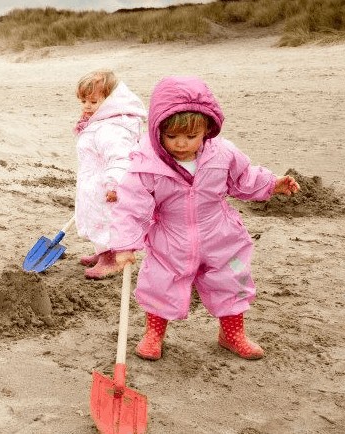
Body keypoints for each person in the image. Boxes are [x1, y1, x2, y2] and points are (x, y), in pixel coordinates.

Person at [110, 76, 300, 360]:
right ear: (157, 130)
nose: (181, 144)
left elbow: (243, 178)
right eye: (171, 136)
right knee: (160, 283)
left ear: (207, 130)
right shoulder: (146, 164)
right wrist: (125, 244)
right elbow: (132, 206)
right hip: (170, 236)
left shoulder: (222, 153)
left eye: (191, 136)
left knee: (231, 280)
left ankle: (232, 333)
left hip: (219, 232)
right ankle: (154, 334)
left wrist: (272, 184)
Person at [73, 69, 147, 280]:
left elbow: (121, 158)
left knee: (107, 221)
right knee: (95, 218)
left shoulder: (112, 128)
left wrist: (114, 184)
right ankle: (102, 253)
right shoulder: (99, 123)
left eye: (93, 102)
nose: (87, 106)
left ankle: (111, 259)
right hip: (94, 182)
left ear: (111, 101)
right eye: (84, 101)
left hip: (108, 186)